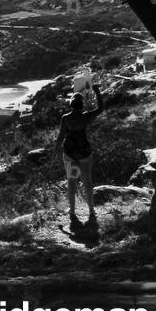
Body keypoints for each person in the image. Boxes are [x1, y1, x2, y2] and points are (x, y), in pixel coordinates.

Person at [55, 78, 105, 224]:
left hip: (70, 155)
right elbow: (101, 108)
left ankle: (72, 211)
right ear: (82, 105)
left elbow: (60, 137)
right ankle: (91, 211)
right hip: (84, 153)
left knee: (72, 182)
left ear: (71, 105)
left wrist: (56, 151)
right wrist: (97, 91)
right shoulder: (86, 116)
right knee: (87, 182)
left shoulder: (65, 118)